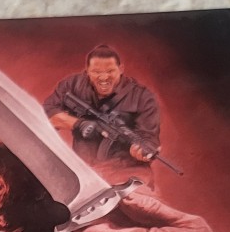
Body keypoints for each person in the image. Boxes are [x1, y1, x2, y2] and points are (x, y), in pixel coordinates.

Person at [43, 43, 162, 184]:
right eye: (96, 72)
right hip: (84, 173)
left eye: (110, 71)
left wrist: (140, 151)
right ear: (87, 71)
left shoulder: (143, 97)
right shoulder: (73, 85)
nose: (104, 77)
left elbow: (149, 138)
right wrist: (79, 124)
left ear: (121, 69)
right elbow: (45, 113)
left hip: (127, 173)